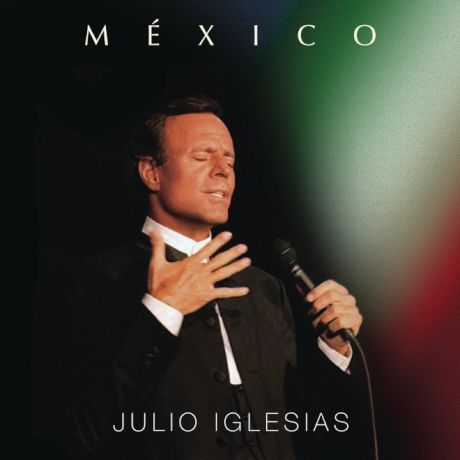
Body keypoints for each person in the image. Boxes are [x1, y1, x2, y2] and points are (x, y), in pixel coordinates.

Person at [33, 96, 365, 460]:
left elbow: (308, 429)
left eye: (230, 161)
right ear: (152, 173)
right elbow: (84, 432)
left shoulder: (264, 288)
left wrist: (334, 349)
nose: (223, 170)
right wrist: (161, 310)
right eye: (203, 156)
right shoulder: (90, 281)